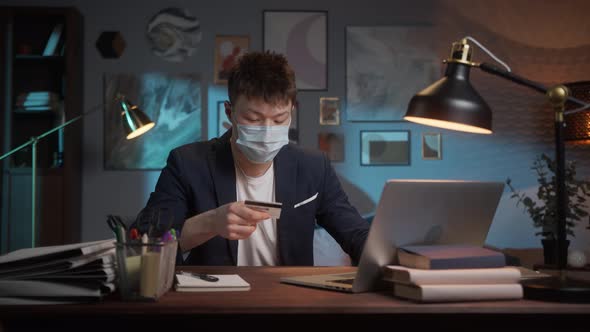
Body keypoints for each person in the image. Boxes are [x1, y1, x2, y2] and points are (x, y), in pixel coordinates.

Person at [142, 51, 369, 266]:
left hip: (289, 299)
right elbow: (143, 240)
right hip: (212, 300)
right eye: (253, 118)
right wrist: (210, 223)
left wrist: (393, 260)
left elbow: (355, 233)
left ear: (292, 111)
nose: (268, 130)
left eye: (280, 119)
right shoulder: (188, 164)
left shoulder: (313, 167)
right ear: (230, 113)